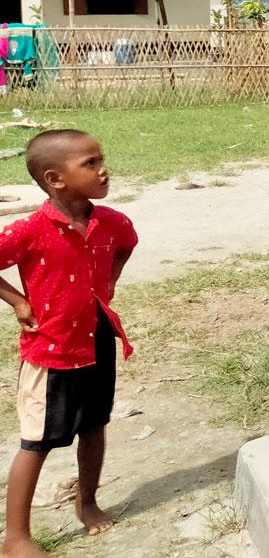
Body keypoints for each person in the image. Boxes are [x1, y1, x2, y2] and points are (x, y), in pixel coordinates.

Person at [0, 130, 136, 557]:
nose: (103, 169)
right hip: (52, 353)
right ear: (55, 179)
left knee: (95, 426)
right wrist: (18, 300)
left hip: (97, 343)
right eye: (90, 163)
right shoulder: (30, 230)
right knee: (36, 442)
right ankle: (16, 538)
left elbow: (127, 244)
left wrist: (109, 280)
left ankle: (88, 502)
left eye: (101, 159)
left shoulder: (111, 222)